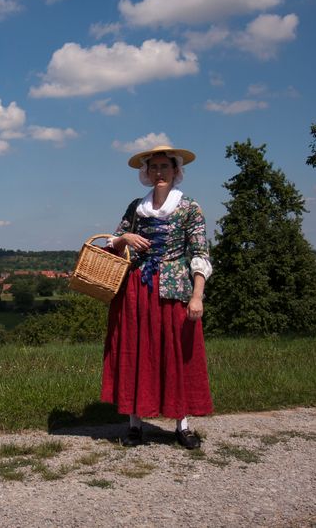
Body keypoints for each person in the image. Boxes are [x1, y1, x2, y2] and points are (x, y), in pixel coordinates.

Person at [101, 144, 213, 449]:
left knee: (175, 353)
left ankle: (182, 424)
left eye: (165, 167)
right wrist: (125, 238)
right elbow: (114, 240)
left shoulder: (190, 208)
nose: (160, 172)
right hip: (137, 288)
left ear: (176, 172)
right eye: (154, 167)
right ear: (147, 173)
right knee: (138, 352)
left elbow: (200, 253)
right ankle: (135, 424)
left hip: (174, 289)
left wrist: (198, 296)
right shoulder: (137, 207)